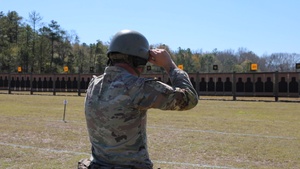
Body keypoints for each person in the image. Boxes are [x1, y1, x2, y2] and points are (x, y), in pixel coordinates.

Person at [80, 29, 198, 169]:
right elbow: (190, 98)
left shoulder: (94, 84)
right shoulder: (137, 87)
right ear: (139, 60)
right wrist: (170, 66)